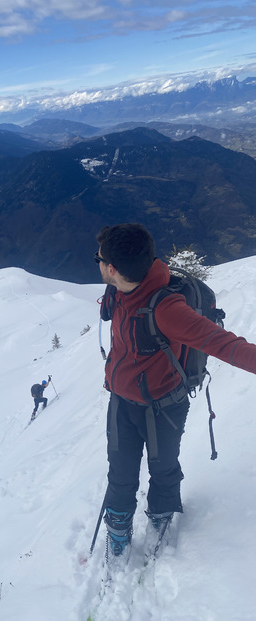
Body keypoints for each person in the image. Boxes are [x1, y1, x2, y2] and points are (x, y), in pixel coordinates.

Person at [95, 223, 256, 559]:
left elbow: (225, 345)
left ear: (112, 268)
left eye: (98, 259)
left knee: (163, 466)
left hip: (164, 405)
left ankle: (160, 513)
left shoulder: (168, 309)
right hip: (121, 402)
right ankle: (119, 528)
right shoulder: (119, 291)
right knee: (120, 472)